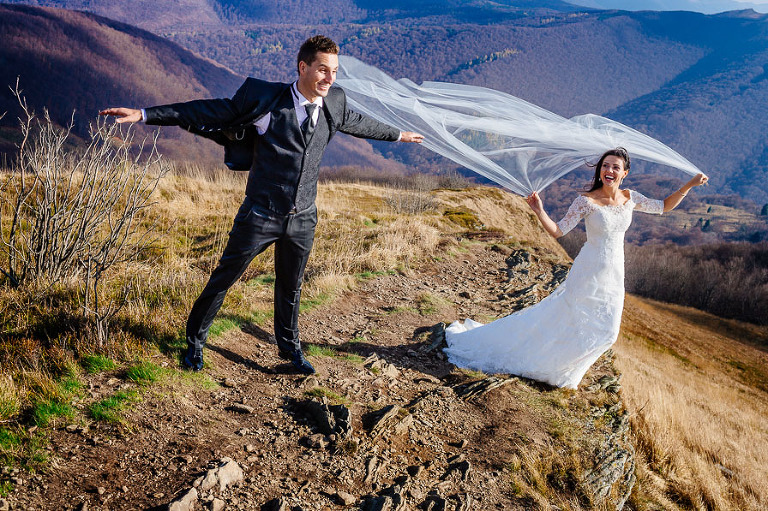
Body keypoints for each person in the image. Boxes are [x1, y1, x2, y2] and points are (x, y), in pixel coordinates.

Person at [101, 35, 424, 375]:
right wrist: (144, 114)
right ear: (303, 67)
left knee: (291, 286)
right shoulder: (266, 101)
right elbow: (206, 110)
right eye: (323, 70)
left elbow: (358, 123)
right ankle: (194, 344)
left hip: (303, 217)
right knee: (225, 278)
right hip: (261, 214)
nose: (330, 79)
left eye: (335, 71)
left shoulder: (335, 102)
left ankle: (291, 352)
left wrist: (398, 135)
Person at [444, 148, 708, 389]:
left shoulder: (630, 198)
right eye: (605, 166)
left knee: (608, 333)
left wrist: (691, 185)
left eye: (616, 167)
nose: (609, 171)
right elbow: (559, 231)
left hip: (615, 274)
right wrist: (539, 211)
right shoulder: (585, 201)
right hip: (588, 270)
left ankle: (560, 366)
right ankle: (549, 366)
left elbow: (663, 206)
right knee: (572, 320)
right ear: (599, 170)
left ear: (625, 173)